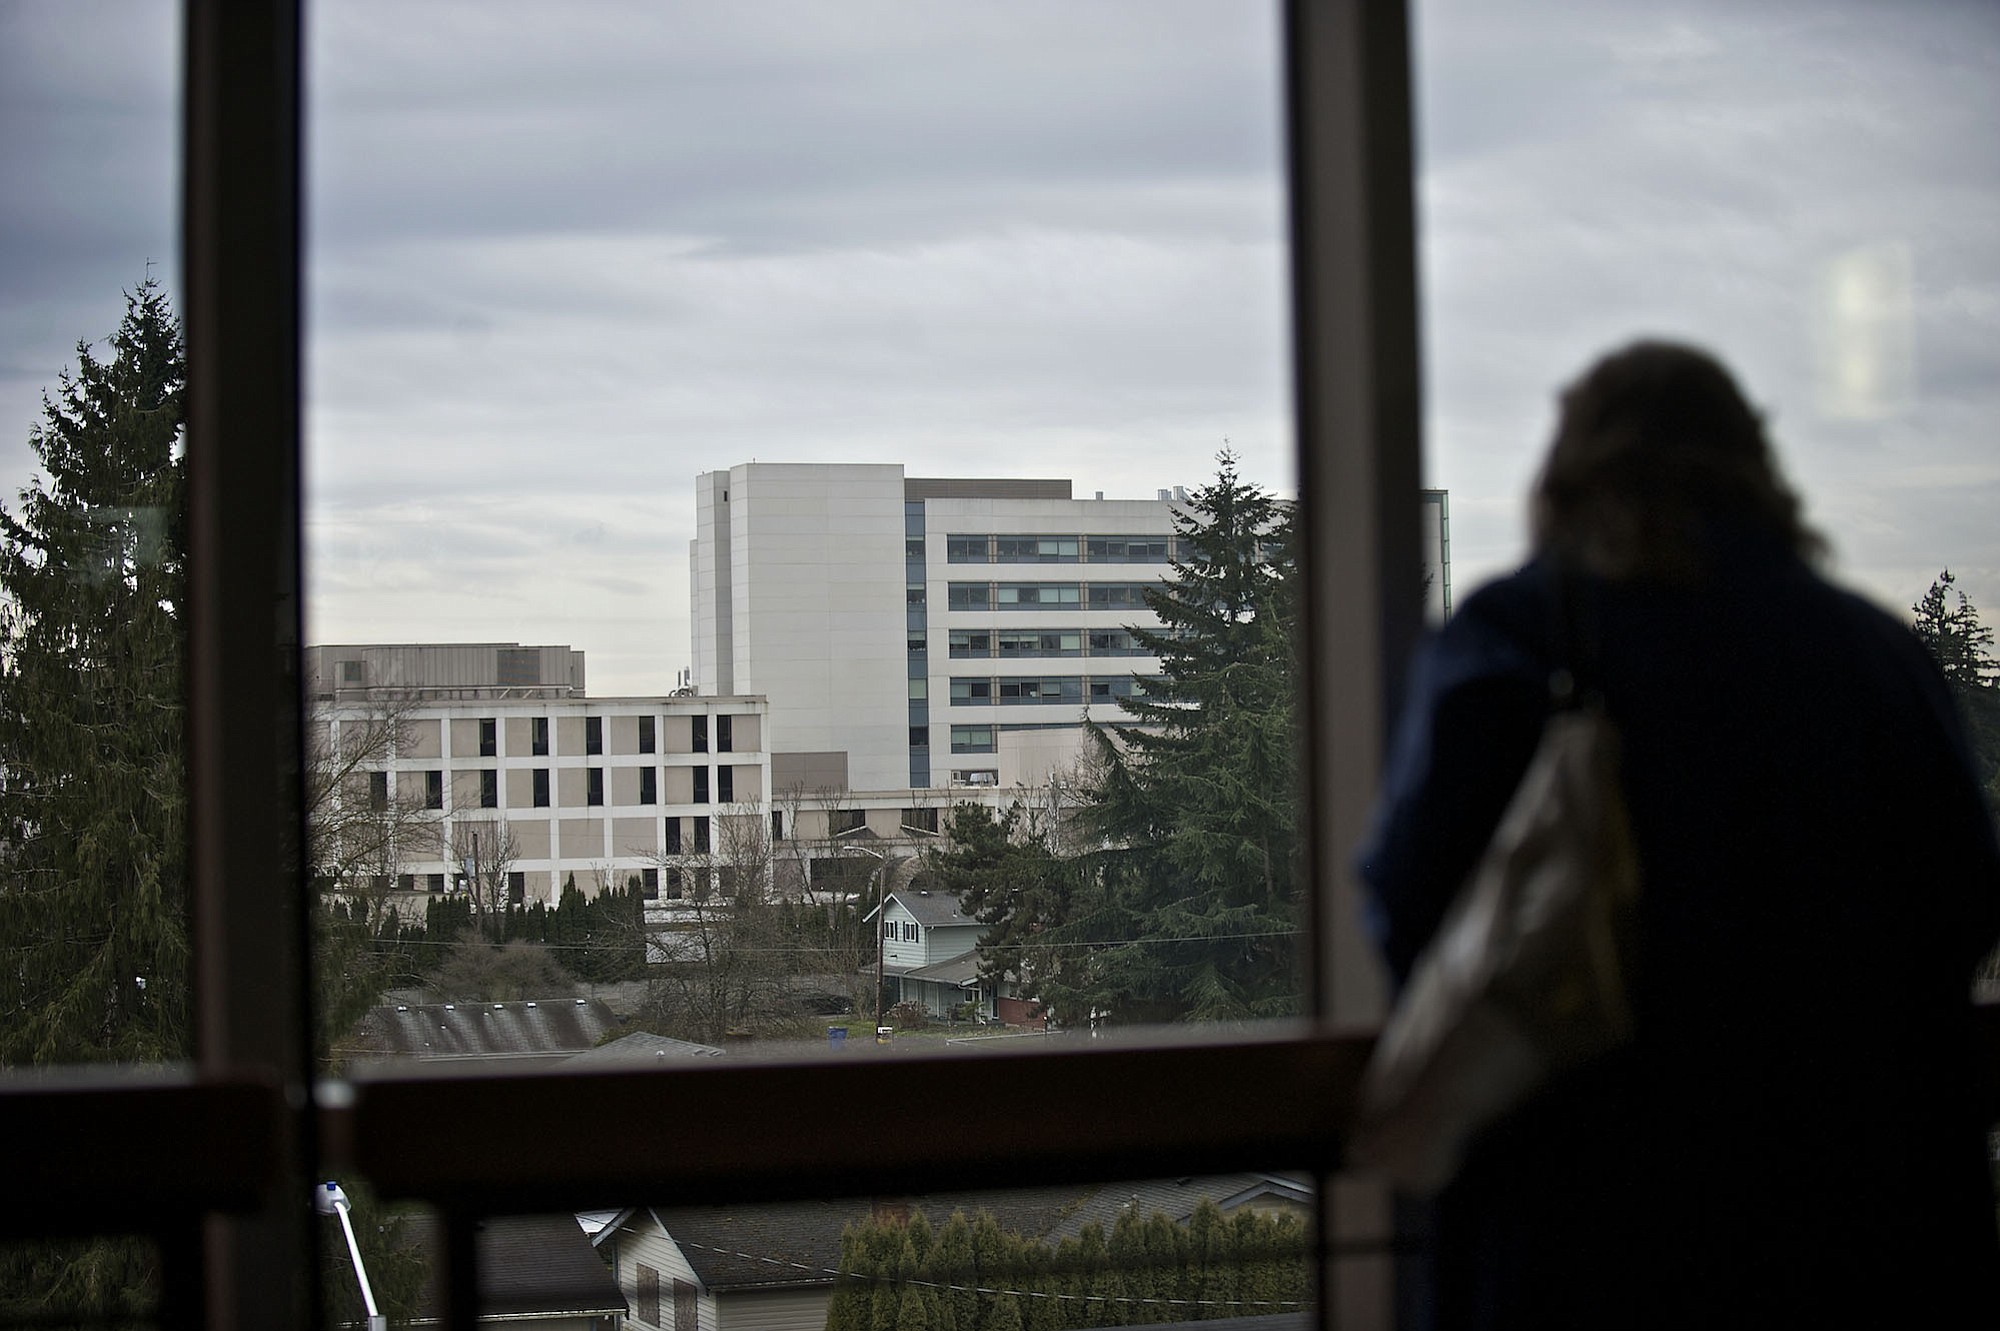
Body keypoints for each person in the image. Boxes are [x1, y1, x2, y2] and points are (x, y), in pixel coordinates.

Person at [1357, 341, 2000, 1330]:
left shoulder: (1520, 638)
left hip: (1583, 1213)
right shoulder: (1875, 656)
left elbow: (1411, 900)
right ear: (1753, 470)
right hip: (1868, 1212)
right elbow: (1962, 900)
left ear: (1573, 478)